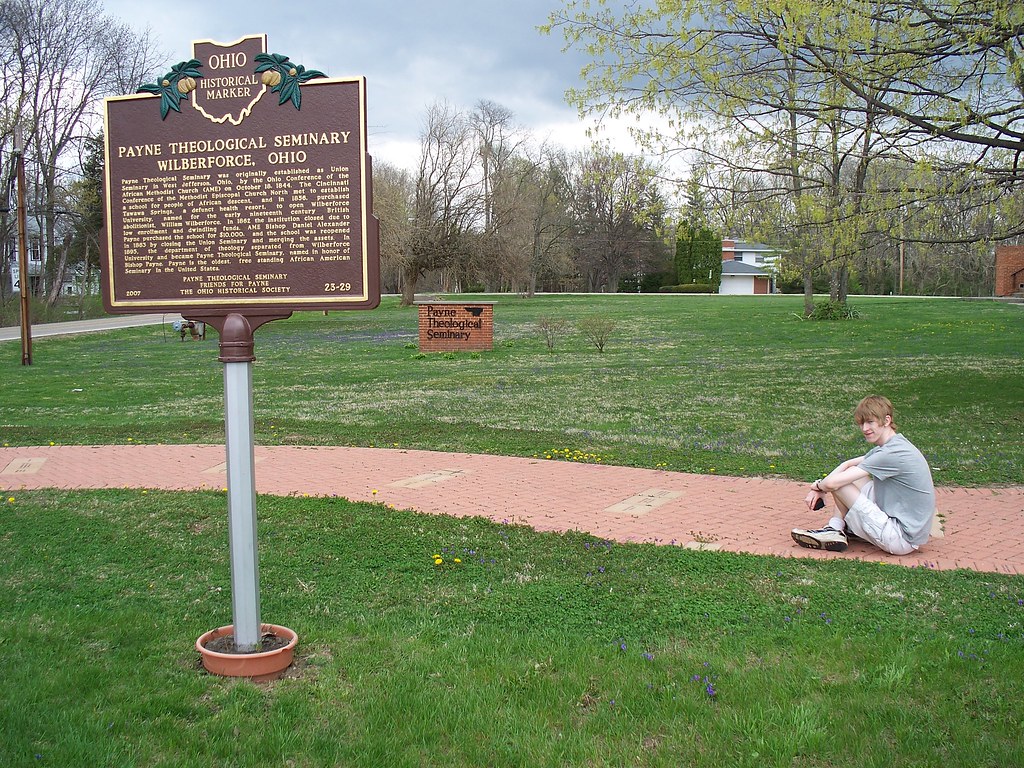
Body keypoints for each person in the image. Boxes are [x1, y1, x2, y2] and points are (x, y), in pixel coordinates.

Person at [791, 395, 936, 555]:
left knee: (841, 483)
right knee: (850, 475)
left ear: (887, 420)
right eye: (861, 423)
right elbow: (849, 464)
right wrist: (831, 477)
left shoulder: (891, 453)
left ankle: (836, 528)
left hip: (901, 538)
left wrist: (819, 487)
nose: (864, 428)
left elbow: (833, 483)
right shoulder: (894, 445)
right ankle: (836, 528)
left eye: (870, 422)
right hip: (904, 526)